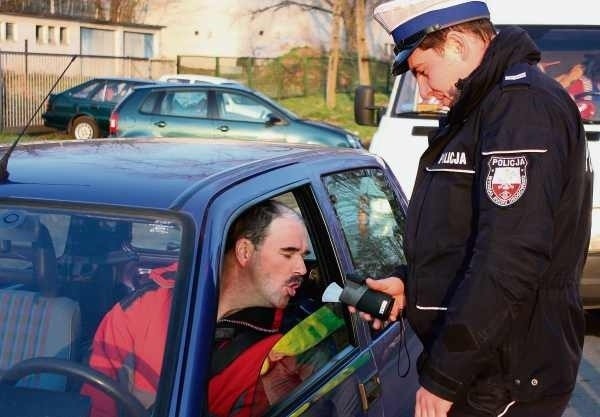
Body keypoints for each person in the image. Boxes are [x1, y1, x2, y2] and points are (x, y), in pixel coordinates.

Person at [353, 1, 594, 417]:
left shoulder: (521, 109)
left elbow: (510, 256)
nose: (425, 91)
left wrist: (445, 377)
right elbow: (466, 235)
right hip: (486, 366)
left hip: (504, 372)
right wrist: (414, 283)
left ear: (458, 44)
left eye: (422, 72)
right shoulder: (483, 106)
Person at [81, 199, 341, 417]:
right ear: (244, 251)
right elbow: (97, 406)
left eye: (303, 255)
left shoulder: (291, 345)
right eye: (288, 253)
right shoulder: (136, 312)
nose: (302, 269)